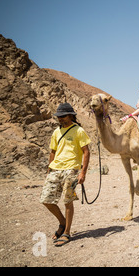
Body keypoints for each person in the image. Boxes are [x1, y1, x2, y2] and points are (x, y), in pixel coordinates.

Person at [40, 102, 91, 247]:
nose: (60, 119)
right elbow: (52, 152)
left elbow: (86, 152)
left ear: (70, 116)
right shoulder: (56, 132)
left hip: (72, 169)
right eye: (58, 116)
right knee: (46, 200)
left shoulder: (78, 130)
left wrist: (83, 172)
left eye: (63, 116)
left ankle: (67, 232)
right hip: (56, 169)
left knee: (67, 201)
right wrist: (49, 170)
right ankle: (62, 222)